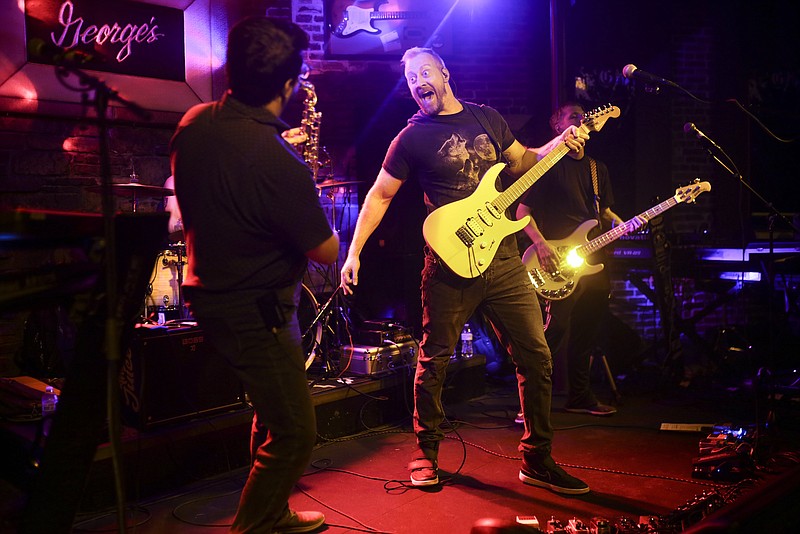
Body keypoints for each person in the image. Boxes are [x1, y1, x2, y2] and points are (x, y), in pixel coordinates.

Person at [340, 47, 590, 495]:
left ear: (444, 73)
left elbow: (524, 162)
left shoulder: (487, 118)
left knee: (536, 356)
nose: (418, 81)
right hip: (449, 264)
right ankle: (425, 454)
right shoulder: (410, 137)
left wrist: (560, 142)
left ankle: (537, 459)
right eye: (410, 77)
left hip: (505, 259)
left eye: (424, 72)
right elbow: (379, 196)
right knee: (434, 360)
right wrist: (354, 251)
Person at [170, 16, 339, 533]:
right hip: (257, 308)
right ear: (287, 86)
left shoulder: (195, 121)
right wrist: (300, 179)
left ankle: (272, 511)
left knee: (270, 412)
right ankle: (253, 526)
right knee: (294, 431)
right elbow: (325, 251)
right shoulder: (280, 163)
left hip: (211, 294)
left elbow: (232, 171)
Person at [516, 102, 644, 417]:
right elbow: (521, 213)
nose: (580, 120)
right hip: (557, 262)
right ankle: (530, 404)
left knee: (588, 330)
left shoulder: (597, 169)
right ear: (556, 123)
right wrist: (542, 245)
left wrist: (620, 222)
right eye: (573, 116)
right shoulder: (546, 166)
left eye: (583, 116)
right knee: (553, 331)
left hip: (593, 260)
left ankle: (580, 397)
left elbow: (602, 212)